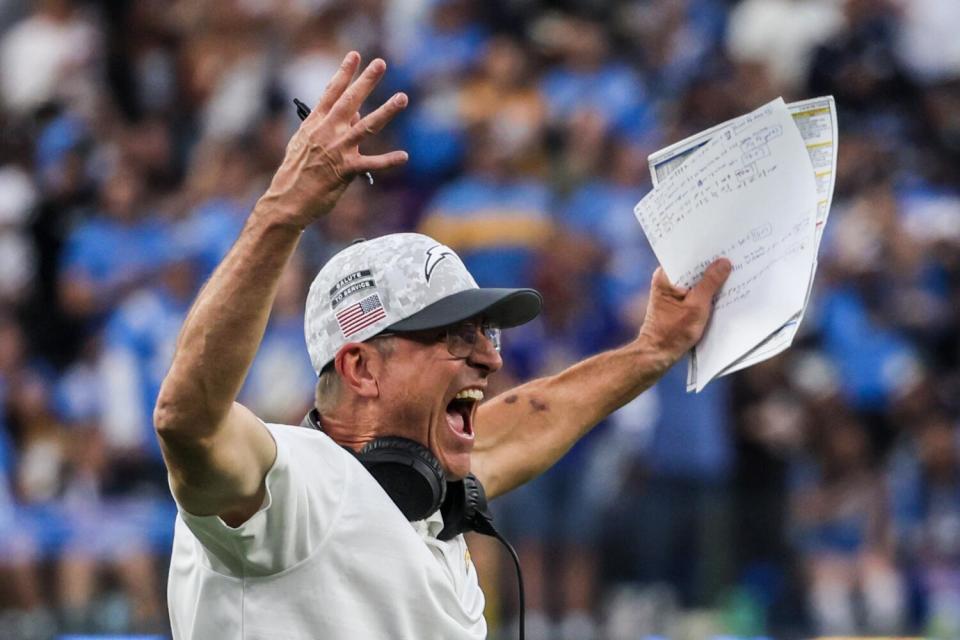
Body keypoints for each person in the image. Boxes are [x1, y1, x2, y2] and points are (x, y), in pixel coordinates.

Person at [154, 52, 731, 639]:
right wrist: (283, 212)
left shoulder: (430, 492)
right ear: (361, 367)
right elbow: (187, 421)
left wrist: (652, 350)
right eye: (456, 338)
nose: (491, 357)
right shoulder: (293, 489)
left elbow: (530, 424)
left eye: (487, 332)